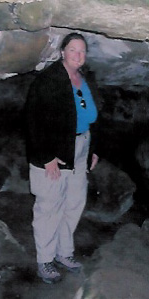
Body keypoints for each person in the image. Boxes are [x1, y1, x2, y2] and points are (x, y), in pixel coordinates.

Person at [25, 32, 99, 283]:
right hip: (54, 152)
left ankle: (63, 253)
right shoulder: (48, 81)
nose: (78, 56)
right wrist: (46, 157)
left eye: (82, 51)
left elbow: (94, 119)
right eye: (73, 50)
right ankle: (45, 260)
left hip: (80, 148)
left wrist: (93, 149)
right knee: (50, 206)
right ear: (62, 52)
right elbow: (33, 121)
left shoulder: (85, 80)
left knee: (74, 203)